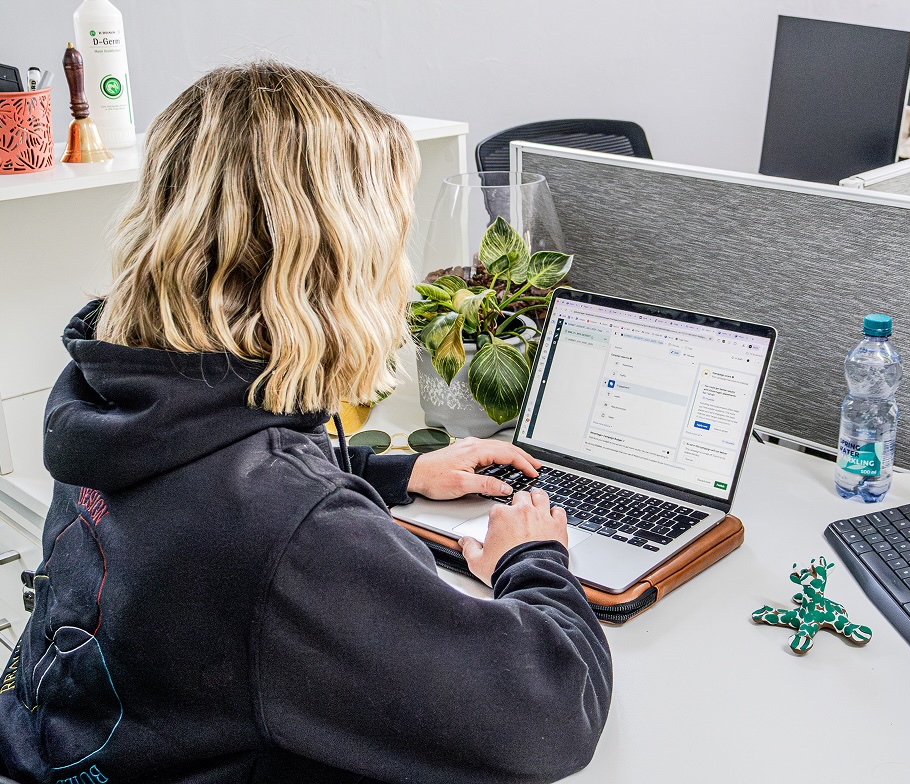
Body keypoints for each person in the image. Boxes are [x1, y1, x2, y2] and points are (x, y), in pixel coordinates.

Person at [0, 62, 611, 784]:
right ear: (335, 263)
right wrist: (531, 558)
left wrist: (396, 471)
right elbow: (545, 716)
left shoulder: (106, 393)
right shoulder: (295, 534)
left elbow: (206, 493)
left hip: (55, 742)